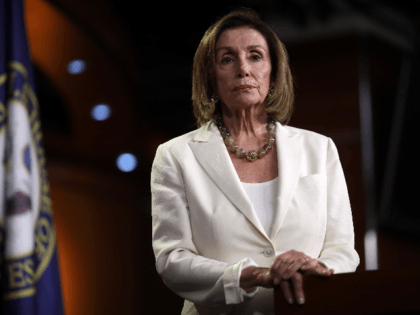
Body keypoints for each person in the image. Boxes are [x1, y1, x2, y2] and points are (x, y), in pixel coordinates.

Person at [151, 7, 360, 315]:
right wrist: (254, 276)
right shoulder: (175, 156)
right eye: (227, 59)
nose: (243, 69)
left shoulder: (320, 148)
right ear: (210, 77)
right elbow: (172, 259)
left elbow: (343, 249)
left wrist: (314, 268)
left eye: (255, 56)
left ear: (273, 73)